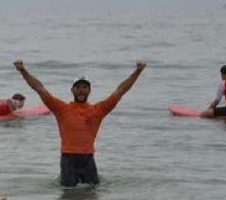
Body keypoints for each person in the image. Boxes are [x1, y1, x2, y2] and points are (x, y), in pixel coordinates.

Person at [13, 59, 147, 186]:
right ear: (72, 91)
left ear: (89, 90)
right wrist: (23, 71)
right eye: (78, 87)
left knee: (93, 196)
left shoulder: (98, 110)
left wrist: (137, 72)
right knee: (69, 196)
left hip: (88, 159)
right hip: (68, 160)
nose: (81, 90)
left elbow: (120, 91)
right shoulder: (61, 108)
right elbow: (39, 88)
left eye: (84, 87)